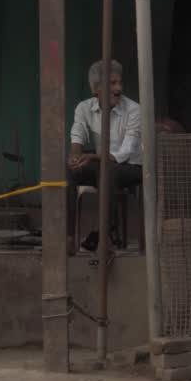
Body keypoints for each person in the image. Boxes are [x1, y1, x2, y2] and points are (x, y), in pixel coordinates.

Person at [67, 59, 142, 248]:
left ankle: (103, 235)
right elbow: (78, 135)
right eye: (112, 83)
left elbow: (125, 152)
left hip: (131, 167)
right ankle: (68, 236)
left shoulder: (134, 110)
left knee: (108, 171)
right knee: (67, 170)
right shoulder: (84, 108)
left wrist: (92, 157)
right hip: (103, 165)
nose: (119, 88)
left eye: (120, 82)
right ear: (96, 89)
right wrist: (75, 158)